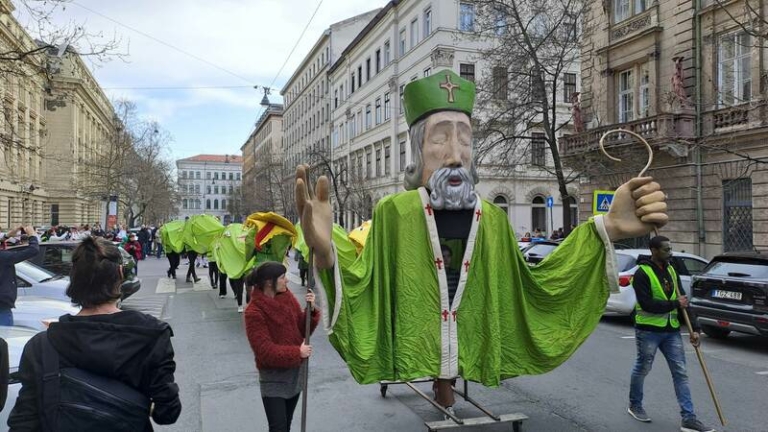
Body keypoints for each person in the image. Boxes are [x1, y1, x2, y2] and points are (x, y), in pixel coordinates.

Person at [296, 70, 668, 391]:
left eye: (466, 138)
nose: (455, 154)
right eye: (440, 138)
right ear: (418, 151)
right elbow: (368, 283)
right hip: (414, 347)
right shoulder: (393, 212)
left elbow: (533, 286)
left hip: (471, 347)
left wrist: (606, 227)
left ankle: (449, 387)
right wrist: (328, 251)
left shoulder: (491, 218)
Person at [8, 236, 181, 430]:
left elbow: (24, 421)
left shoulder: (42, 345)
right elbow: (168, 412)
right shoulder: (151, 335)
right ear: (120, 274)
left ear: (73, 279)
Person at [627, 236, 714, 432]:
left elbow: (683, 300)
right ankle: (635, 404)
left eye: (670, 248)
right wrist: (676, 304)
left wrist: (695, 328)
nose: (670, 252)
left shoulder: (672, 270)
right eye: (666, 249)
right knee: (643, 368)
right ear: (653, 250)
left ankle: (688, 418)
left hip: (671, 331)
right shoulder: (642, 273)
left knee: (681, 373)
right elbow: (648, 304)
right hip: (648, 330)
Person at [244, 262, 319, 432]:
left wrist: (311, 310)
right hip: (273, 378)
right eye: (283, 277)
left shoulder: (286, 296)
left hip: (294, 373)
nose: (287, 281)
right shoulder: (254, 312)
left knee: (286, 424)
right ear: (269, 282)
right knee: (278, 427)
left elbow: (301, 327)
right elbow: (264, 351)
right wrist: (297, 352)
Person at [0, 226, 39, 326]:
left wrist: (6, 236)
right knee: (5, 336)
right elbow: (33, 250)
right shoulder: (4, 257)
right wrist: (32, 235)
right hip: (2, 307)